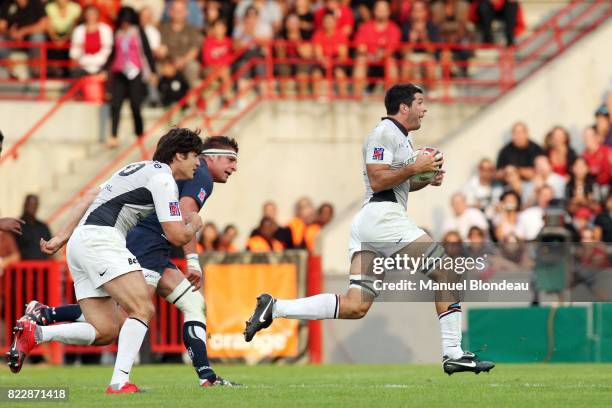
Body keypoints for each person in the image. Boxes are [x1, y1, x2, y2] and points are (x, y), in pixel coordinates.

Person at [243, 84, 495, 375]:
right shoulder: (384, 133)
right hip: (382, 217)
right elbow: (377, 180)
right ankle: (454, 354)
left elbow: (393, 180)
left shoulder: (399, 138)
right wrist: (415, 168)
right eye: (420, 103)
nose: (424, 109)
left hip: (371, 222)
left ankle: (274, 308)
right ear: (404, 107)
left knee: (355, 306)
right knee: (447, 270)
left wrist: (424, 178)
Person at [24, 136, 240, 387]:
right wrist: (193, 249)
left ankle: (206, 376)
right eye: (230, 159)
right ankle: (117, 379)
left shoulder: (141, 167)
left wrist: (62, 235)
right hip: (139, 244)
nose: (234, 167)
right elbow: (181, 219)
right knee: (134, 311)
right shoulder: (190, 175)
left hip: (105, 241)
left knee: (184, 305)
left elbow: (91, 194)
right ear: (189, 156)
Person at [106, 6, 156, 148]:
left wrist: (152, 71)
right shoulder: (117, 32)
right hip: (119, 72)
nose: (125, 24)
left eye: (127, 21)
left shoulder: (138, 32)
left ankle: (139, 133)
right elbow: (113, 52)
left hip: (135, 72)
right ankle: (113, 135)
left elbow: (146, 51)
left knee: (135, 104)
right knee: (115, 105)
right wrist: (105, 68)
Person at [352, 0, 401, 96]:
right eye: (379, 9)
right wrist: (370, 55)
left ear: (388, 11)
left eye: (384, 9)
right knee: (360, 61)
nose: (381, 12)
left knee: (391, 63)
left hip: (384, 61)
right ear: (374, 11)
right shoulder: (365, 27)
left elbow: (391, 49)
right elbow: (360, 46)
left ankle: (392, 98)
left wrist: (381, 54)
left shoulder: (394, 29)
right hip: (368, 59)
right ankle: (357, 97)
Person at [158, 0, 203, 91]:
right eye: (175, 10)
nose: (178, 13)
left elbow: (194, 50)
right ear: (170, 12)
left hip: (185, 62)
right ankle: (156, 98)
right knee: (155, 68)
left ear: (186, 13)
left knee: (193, 66)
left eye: (181, 11)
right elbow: (159, 49)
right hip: (167, 62)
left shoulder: (192, 30)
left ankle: (191, 97)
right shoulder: (162, 29)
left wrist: (183, 61)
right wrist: (166, 62)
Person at [0, 0, 48, 78]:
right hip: (11, 41)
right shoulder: (7, 3)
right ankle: (12, 71)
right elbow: (1, 26)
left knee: (38, 37)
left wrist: (23, 31)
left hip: (30, 41)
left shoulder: (36, 3)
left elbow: (44, 25)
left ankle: (36, 72)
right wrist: (9, 33)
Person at [69, 6, 114, 76]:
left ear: (97, 15)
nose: (91, 17)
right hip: (83, 65)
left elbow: (108, 50)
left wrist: (97, 62)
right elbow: (74, 51)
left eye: (93, 14)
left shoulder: (106, 29)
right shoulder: (78, 30)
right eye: (88, 14)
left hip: (101, 64)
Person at [45, 0, 82, 78]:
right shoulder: (49, 7)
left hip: (70, 37)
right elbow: (48, 24)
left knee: (73, 44)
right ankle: (53, 71)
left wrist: (64, 40)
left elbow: (75, 26)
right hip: (52, 36)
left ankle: (68, 72)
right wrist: (55, 39)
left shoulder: (76, 8)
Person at [15, 194, 52, 260]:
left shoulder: (43, 227)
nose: (32, 207)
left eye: (35, 205)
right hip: (23, 268)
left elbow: (50, 247)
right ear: (25, 205)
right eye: (30, 204)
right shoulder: (17, 226)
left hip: (43, 267)